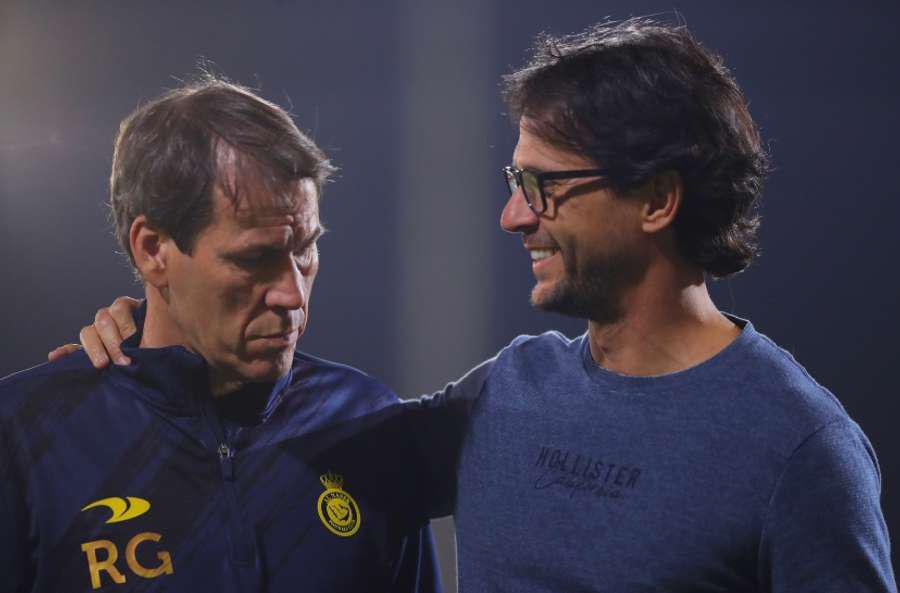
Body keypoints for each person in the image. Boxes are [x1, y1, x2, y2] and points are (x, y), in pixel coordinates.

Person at [52, 18, 896, 593]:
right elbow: (269, 441)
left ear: (657, 199)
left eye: (544, 186)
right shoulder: (504, 393)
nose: (515, 213)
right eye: (513, 183)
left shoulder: (799, 450)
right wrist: (145, 347)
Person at [1, 76, 441, 592]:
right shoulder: (29, 437)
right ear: (152, 249)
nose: (293, 294)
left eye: (305, 249)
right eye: (254, 258)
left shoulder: (363, 422)